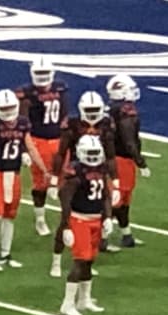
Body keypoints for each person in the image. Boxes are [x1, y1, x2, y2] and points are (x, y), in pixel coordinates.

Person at [0, 89, 49, 272]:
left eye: (10, 107)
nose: (7, 111)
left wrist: (44, 169)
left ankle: (5, 254)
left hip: (13, 174)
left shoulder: (22, 123)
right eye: (4, 108)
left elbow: (30, 147)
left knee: (9, 216)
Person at [50, 91, 118, 278]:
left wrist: (115, 180)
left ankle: (87, 260)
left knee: (100, 208)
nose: (92, 113)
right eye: (89, 110)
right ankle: (56, 259)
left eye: (95, 109)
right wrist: (55, 178)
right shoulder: (72, 125)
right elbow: (61, 152)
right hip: (76, 170)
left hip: (98, 169)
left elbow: (111, 155)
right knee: (66, 215)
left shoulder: (106, 124)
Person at [58, 135, 113, 315]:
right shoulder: (76, 172)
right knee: (80, 261)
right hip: (79, 219)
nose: (92, 157)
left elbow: (105, 194)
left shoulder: (102, 168)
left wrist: (107, 217)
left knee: (89, 261)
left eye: (95, 153)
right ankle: (67, 303)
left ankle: (84, 299)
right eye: (89, 153)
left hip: (95, 219)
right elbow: (65, 199)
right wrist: (66, 226)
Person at [14, 56, 70, 236]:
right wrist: (24, 149)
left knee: (65, 179)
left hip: (58, 140)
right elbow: (22, 120)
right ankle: (40, 219)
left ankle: (67, 218)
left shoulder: (60, 88)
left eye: (45, 72)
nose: (42, 76)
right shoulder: (26, 93)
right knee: (42, 183)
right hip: (38, 141)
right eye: (39, 72)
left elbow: (64, 114)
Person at [106, 74, 150, 247]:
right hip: (120, 160)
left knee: (123, 200)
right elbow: (129, 139)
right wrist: (141, 161)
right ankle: (102, 239)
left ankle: (126, 235)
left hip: (114, 157)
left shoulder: (111, 109)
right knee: (115, 200)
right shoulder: (125, 111)